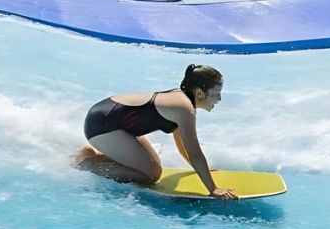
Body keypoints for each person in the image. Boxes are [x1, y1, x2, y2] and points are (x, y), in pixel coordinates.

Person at [76, 64, 238, 200]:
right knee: (149, 175)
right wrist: (213, 189)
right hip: (102, 125)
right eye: (216, 93)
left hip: (111, 119)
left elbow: (182, 142)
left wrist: (202, 169)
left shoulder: (182, 99)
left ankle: (98, 154)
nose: (219, 99)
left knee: (153, 167)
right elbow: (195, 153)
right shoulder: (184, 109)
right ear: (199, 92)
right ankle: (86, 162)